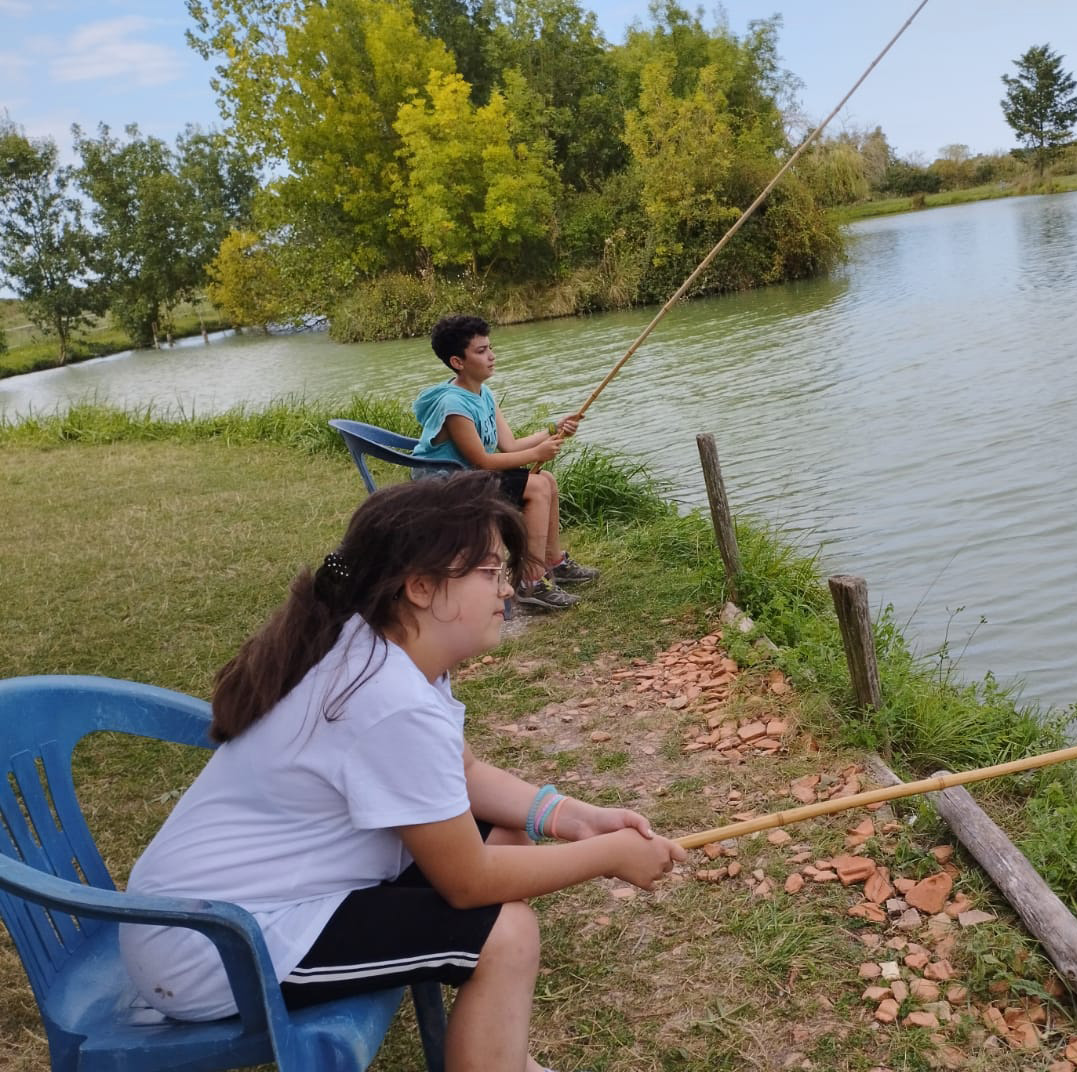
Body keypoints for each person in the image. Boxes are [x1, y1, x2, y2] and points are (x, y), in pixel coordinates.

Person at [120, 473, 685, 1072]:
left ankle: (502, 1057)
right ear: (420, 587)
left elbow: (463, 775)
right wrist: (611, 856)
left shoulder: (382, 650)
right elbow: (467, 881)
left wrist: (575, 818)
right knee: (506, 932)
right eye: (490, 573)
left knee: (507, 835)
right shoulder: (389, 699)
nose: (509, 590)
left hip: (237, 910)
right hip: (216, 947)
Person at [412, 313, 598, 612]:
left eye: (490, 348)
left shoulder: (483, 393)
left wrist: (553, 429)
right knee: (537, 487)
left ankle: (554, 563)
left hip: (471, 477)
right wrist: (537, 454)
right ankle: (530, 582)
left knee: (546, 480)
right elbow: (484, 460)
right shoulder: (453, 405)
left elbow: (509, 445)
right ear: (458, 362)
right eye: (481, 351)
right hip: (447, 488)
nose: (492, 356)